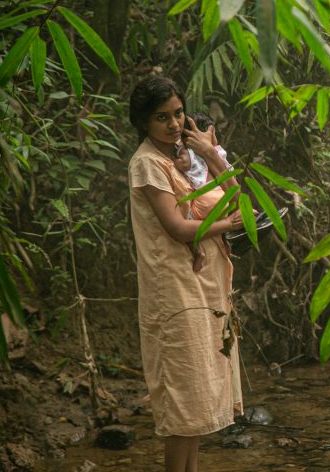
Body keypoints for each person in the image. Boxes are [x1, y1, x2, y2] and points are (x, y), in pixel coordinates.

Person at [128, 76, 243, 472]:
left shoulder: (187, 159)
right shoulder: (147, 164)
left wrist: (210, 153)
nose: (174, 124)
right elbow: (176, 228)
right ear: (144, 122)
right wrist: (226, 225)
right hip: (174, 295)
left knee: (194, 404)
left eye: (178, 113)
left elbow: (237, 197)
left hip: (202, 289)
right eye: (162, 117)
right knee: (182, 406)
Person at [172, 111, 235, 271]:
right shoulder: (218, 152)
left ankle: (197, 250)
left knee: (188, 221)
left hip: (206, 199)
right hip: (223, 197)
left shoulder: (187, 153)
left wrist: (175, 161)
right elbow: (230, 175)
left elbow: (182, 164)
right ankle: (226, 241)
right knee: (221, 222)